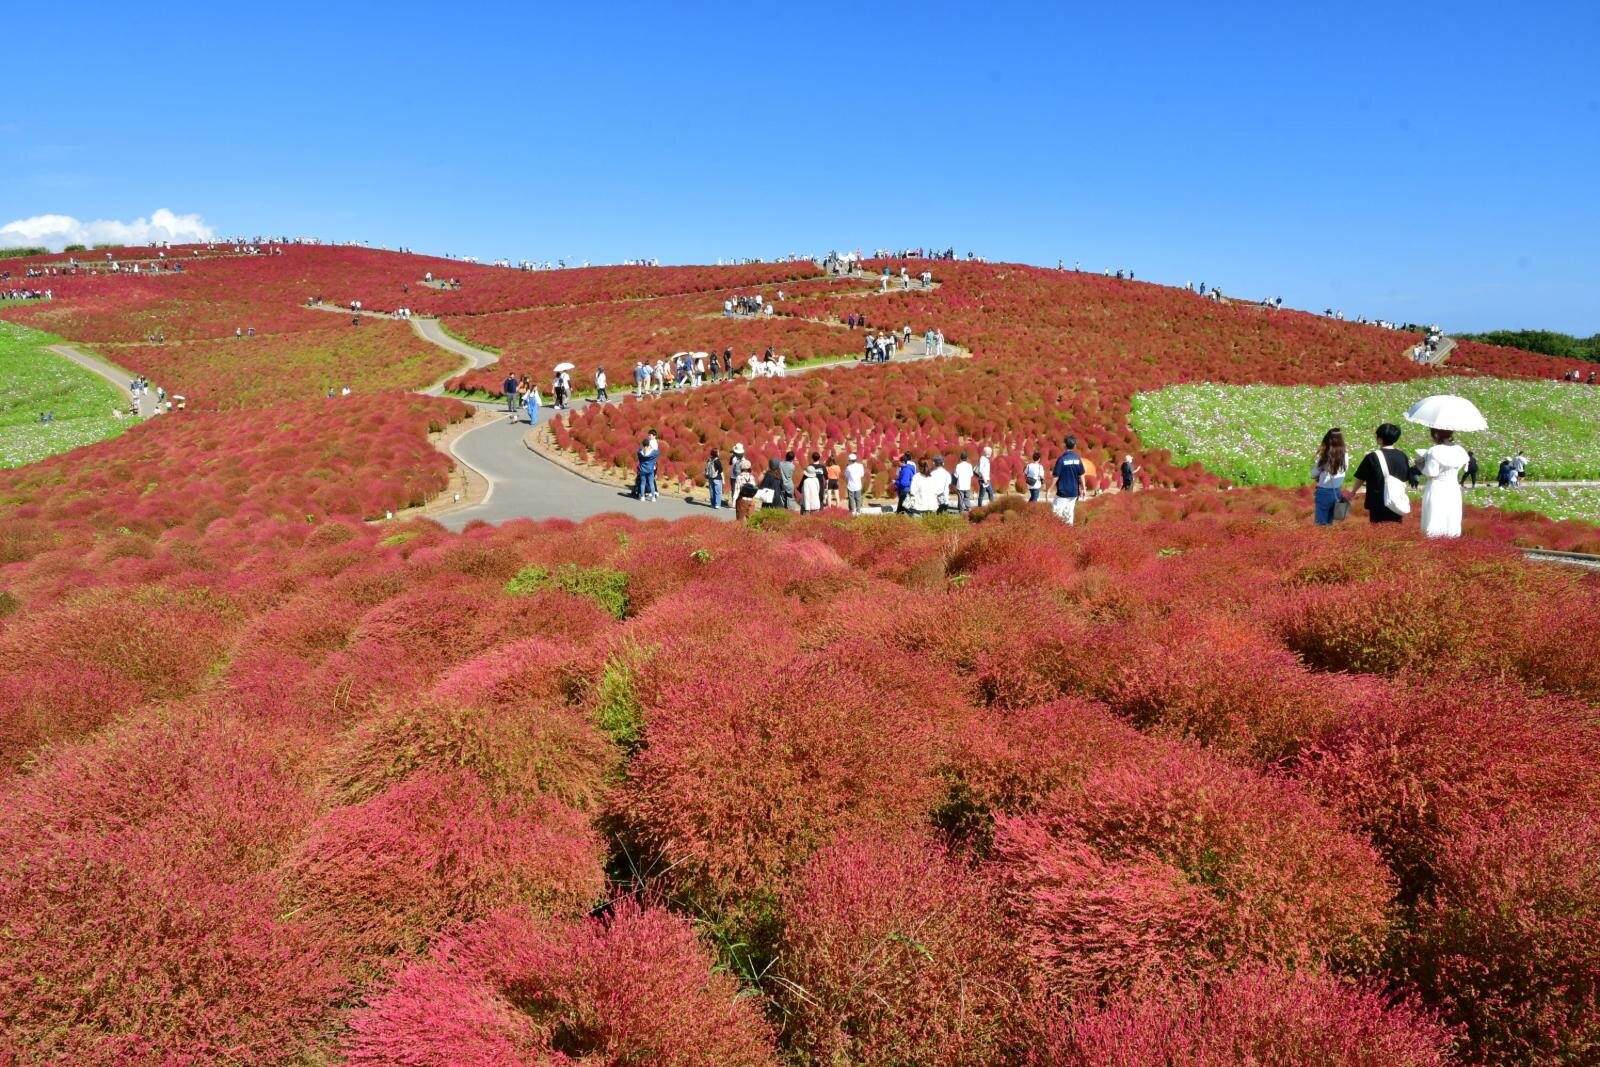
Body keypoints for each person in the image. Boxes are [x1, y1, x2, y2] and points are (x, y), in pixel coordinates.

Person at [1348, 423, 1413, 524]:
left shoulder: (1372, 457)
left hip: (1377, 501)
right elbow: (1405, 477)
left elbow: (1360, 478)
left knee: (1378, 531)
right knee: (1395, 530)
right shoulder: (1402, 456)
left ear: (1380, 439)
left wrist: (1353, 492)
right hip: (1396, 500)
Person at [1415, 428, 1469, 538]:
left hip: (1437, 487)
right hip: (1453, 487)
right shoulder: (1459, 450)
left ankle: (1433, 545)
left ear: (1436, 434)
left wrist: (1419, 465)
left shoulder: (1435, 450)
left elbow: (1431, 473)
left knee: (1435, 517)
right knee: (1451, 516)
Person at [1311, 427, 1347, 526]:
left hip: (1324, 491)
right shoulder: (1345, 455)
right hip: (1337, 491)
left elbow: (1313, 474)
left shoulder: (1326, 456)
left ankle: (1323, 541)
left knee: (1321, 523)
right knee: (1331, 522)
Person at [1051, 435, 1086, 524]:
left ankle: (1056, 531)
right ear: (1074, 446)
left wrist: (1049, 488)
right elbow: (1081, 475)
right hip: (1074, 492)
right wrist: (1084, 488)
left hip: (1063, 492)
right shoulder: (1077, 459)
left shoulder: (1062, 459)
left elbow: (1056, 476)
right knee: (1069, 513)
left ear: (1064, 445)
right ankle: (1068, 532)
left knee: (1056, 513)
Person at [635, 437, 659, 501]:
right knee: (651, 483)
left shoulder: (640, 452)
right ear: (649, 445)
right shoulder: (653, 453)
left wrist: (643, 448)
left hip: (642, 470)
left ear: (642, 445)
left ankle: (642, 497)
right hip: (650, 470)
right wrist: (650, 448)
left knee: (643, 483)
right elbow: (657, 452)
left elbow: (639, 451)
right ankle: (653, 497)